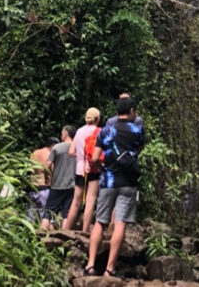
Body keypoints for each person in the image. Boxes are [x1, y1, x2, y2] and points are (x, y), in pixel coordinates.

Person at [84, 97, 145, 277]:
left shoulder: (106, 130)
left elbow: (95, 157)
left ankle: (90, 265)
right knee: (120, 224)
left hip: (108, 181)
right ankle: (110, 268)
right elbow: (139, 149)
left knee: (100, 223)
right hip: (128, 182)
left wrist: (104, 168)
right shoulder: (137, 129)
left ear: (117, 112)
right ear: (132, 111)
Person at [66, 107, 101, 232]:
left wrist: (80, 157)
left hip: (79, 168)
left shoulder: (79, 131)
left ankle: (66, 229)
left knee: (76, 201)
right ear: (97, 119)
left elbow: (71, 152)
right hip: (93, 168)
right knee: (90, 199)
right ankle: (85, 230)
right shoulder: (98, 131)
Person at [41, 125, 76, 231]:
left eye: (61, 133)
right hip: (72, 186)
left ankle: (40, 238)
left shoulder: (57, 147)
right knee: (66, 214)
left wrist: (49, 176)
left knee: (48, 213)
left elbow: (46, 165)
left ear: (65, 134)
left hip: (57, 185)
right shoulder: (78, 148)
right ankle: (65, 240)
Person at [27, 136, 58, 222]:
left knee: (31, 218)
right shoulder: (49, 154)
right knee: (45, 216)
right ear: (52, 146)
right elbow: (49, 169)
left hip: (32, 187)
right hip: (44, 188)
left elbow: (29, 169)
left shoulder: (35, 153)